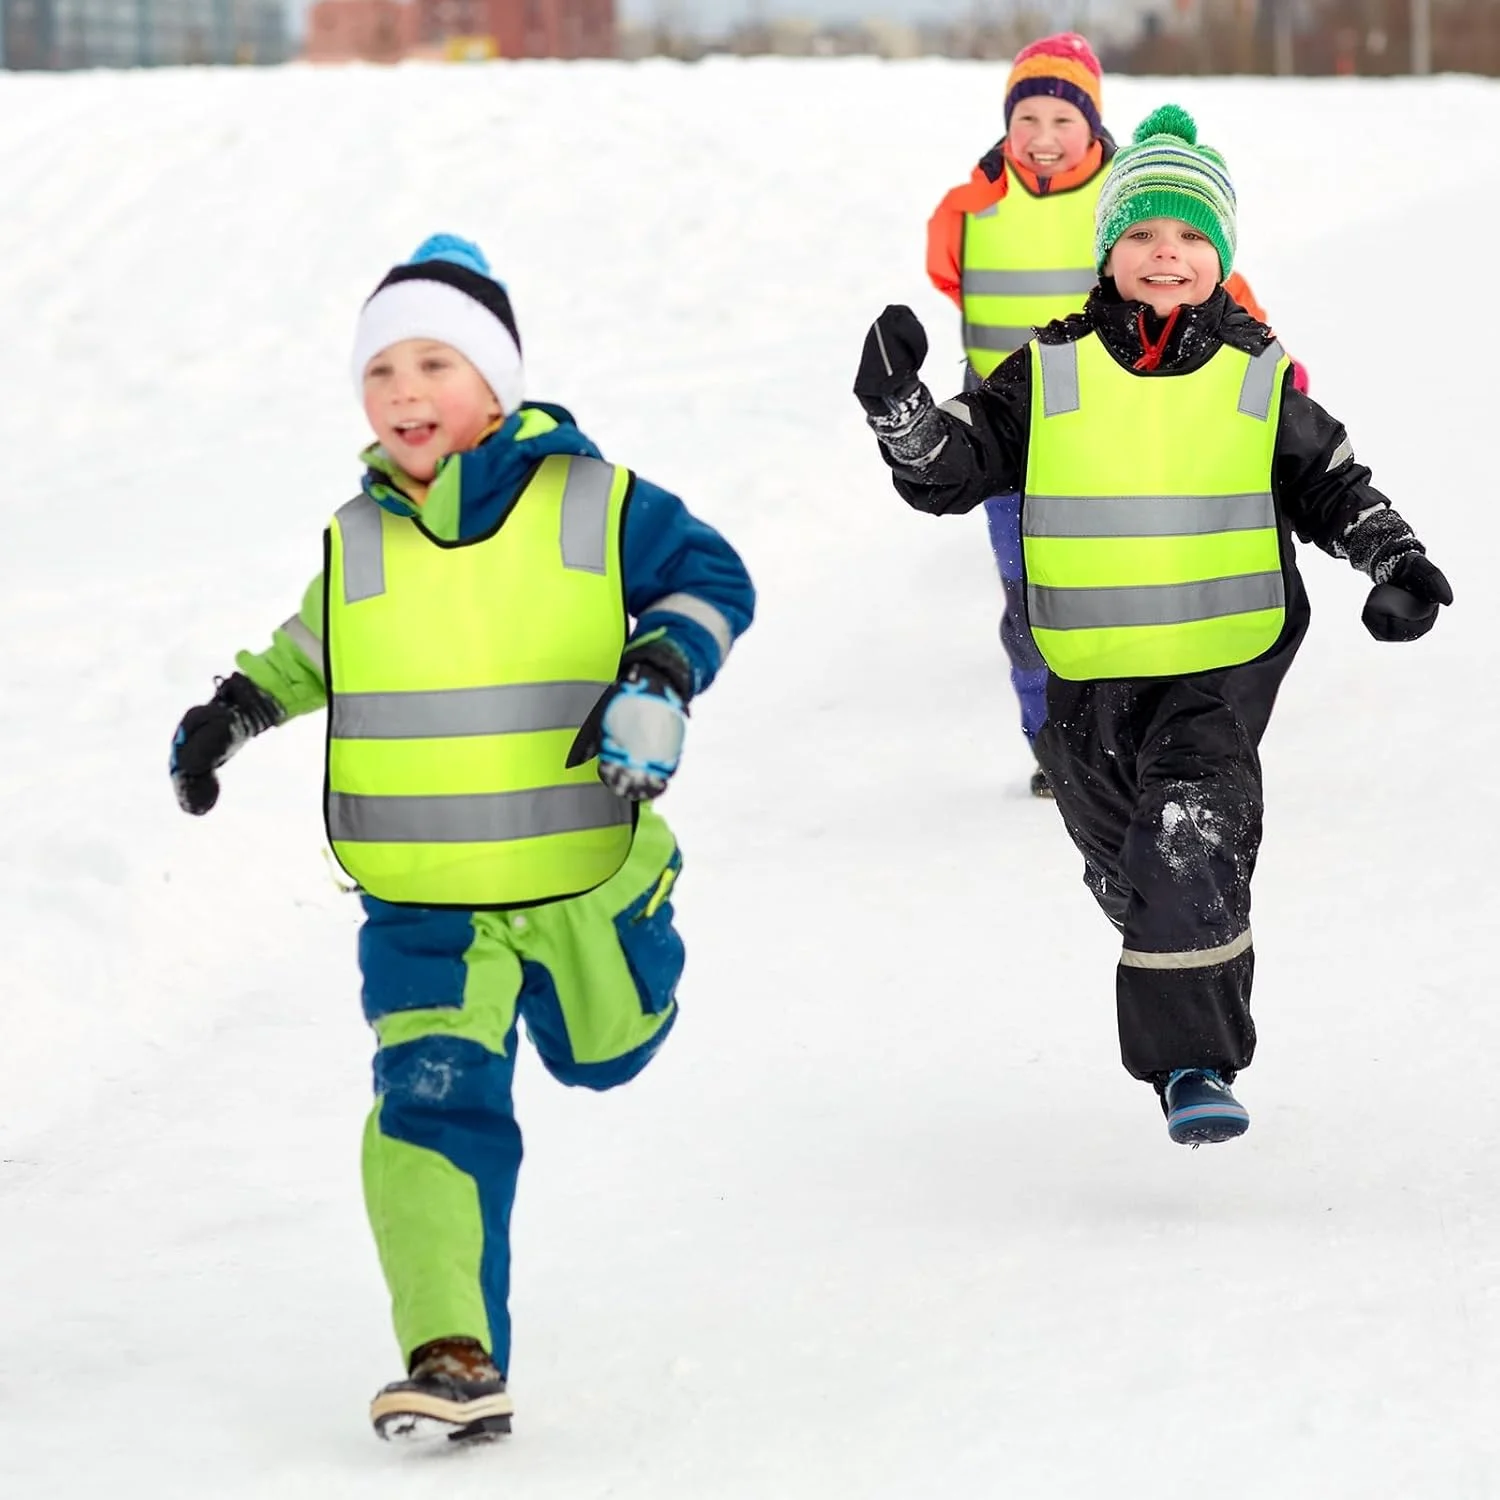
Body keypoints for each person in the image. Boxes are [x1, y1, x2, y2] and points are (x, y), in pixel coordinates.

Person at [168, 235, 755, 1439]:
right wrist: (231, 713)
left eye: (434, 361)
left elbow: (714, 577)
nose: (402, 392)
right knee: (429, 1102)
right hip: (424, 895)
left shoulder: (594, 500)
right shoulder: (362, 537)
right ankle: (451, 1351)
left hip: (581, 862)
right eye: (379, 371)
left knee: (606, 1053)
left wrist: (661, 667)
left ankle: (643, 914)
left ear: (498, 386)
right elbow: (316, 649)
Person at [856, 106, 1451, 1145]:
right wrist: (900, 410)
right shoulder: (1050, 370)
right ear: (1109, 252)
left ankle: (1193, 1067)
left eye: (1187, 239)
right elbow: (954, 472)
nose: (1164, 254)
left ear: (1219, 259)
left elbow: (1333, 485)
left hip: (1220, 671)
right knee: (1129, 865)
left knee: (1187, 843)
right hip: (1087, 678)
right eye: (1140, 236)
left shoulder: (1259, 376)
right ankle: (1170, 946)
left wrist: (1394, 561)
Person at [925, 37, 1305, 796]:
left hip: (1117, 424)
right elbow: (949, 278)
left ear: (1094, 125)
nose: (1041, 135)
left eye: (1061, 117)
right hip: (1006, 420)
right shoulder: (970, 207)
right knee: (1032, 592)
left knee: (1125, 576)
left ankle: (1166, 718)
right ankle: (1052, 742)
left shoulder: (1132, 202)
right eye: (1024, 116)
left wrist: (1275, 377)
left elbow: (1213, 287)